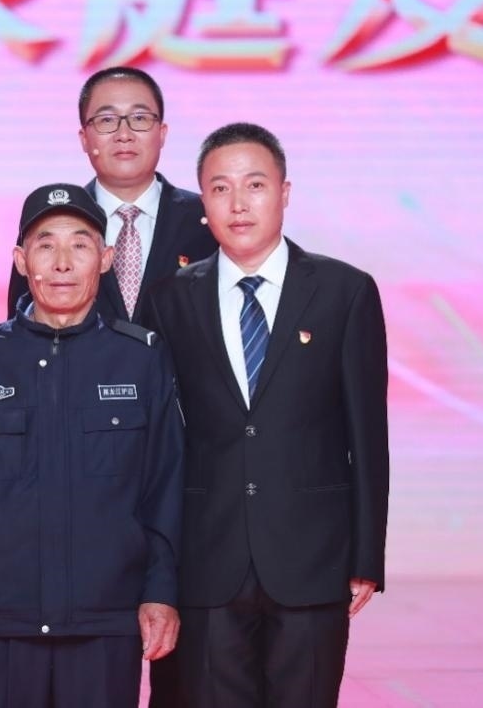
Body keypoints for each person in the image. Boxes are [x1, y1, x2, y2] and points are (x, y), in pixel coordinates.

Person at [149, 123, 389, 708]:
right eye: (220, 188)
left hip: (312, 557)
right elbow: (160, 441)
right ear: (203, 203)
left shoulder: (344, 291)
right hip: (207, 555)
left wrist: (366, 555)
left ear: (284, 192)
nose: (238, 203)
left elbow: (367, 435)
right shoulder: (170, 298)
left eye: (254, 185)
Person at [0, 183, 185, 707]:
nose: (62, 262)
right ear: (21, 260)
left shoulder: (141, 359)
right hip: (0, 618)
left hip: (106, 617)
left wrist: (161, 591)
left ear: (105, 259)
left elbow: (165, 485)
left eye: (80, 245)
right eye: (46, 245)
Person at [6, 66, 217, 330]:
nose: (124, 135)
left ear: (162, 133)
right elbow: (20, 329)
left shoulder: (207, 218)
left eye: (139, 118)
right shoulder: (50, 220)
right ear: (84, 138)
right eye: (106, 120)